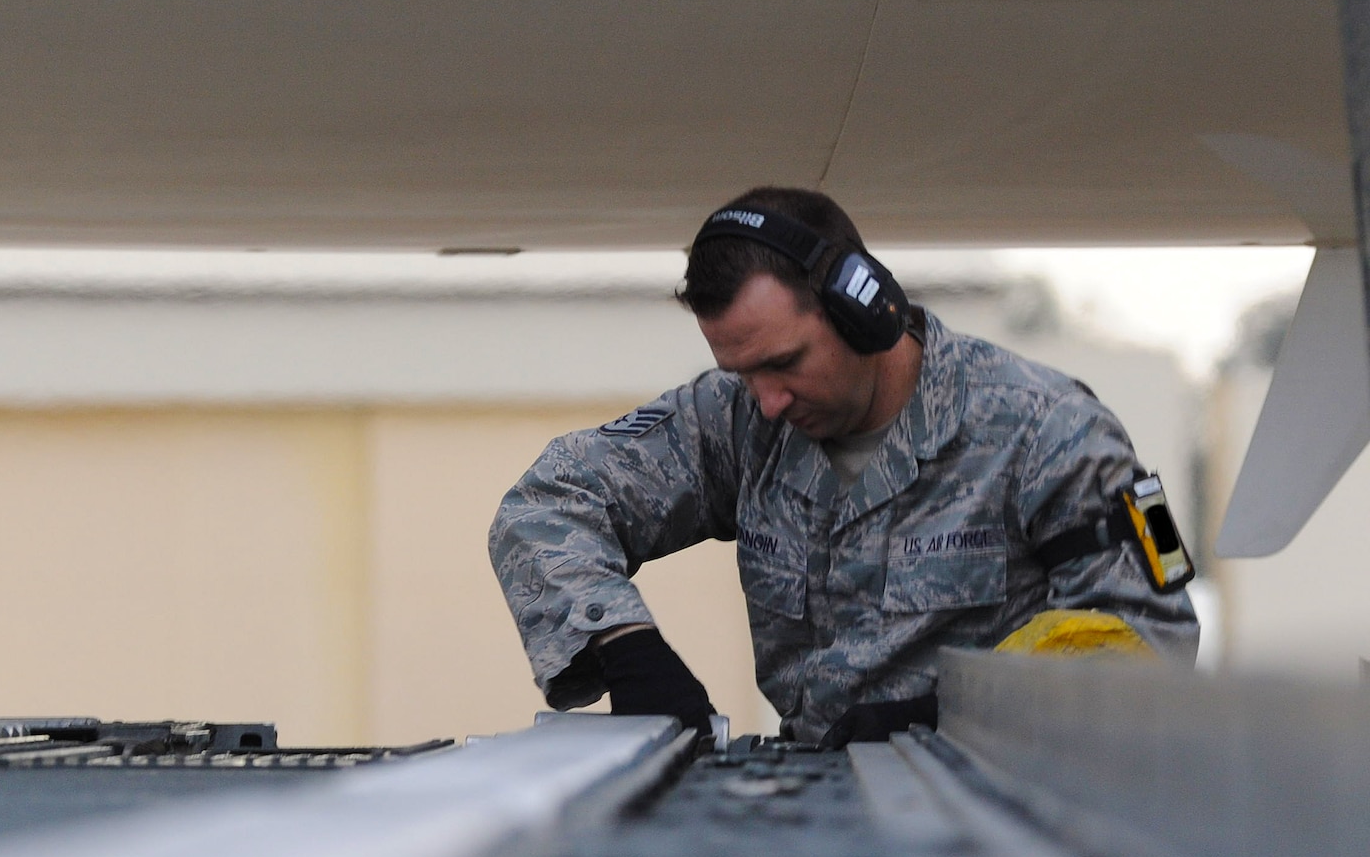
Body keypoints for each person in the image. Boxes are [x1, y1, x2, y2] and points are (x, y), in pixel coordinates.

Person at [488, 187, 1199, 749]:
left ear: (867, 311)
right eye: (740, 371)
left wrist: (950, 717)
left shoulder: (1051, 426)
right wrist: (625, 644)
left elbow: (1153, 637)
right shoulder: (737, 419)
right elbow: (548, 504)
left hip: (999, 827)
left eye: (784, 363)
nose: (766, 401)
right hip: (824, 817)